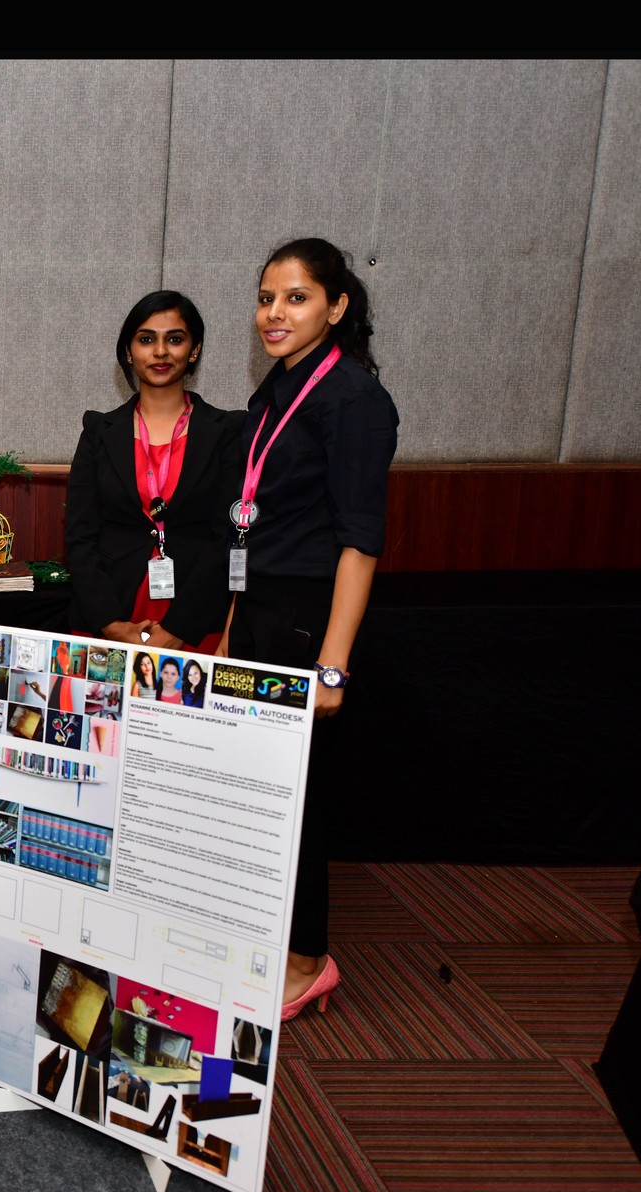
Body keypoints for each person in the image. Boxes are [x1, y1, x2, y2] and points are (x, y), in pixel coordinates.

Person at [130, 237, 399, 1020]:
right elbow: (254, 527)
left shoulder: (353, 399)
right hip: (262, 611)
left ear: (337, 306)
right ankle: (260, 938)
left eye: (296, 298)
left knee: (297, 797)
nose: (274, 314)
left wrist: (335, 665)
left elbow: (360, 540)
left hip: (309, 620)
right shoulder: (278, 391)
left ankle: (308, 960)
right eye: (266, 298)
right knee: (252, 790)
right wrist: (231, 624)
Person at [64, 291, 247, 647]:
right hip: (109, 618)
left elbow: (226, 538)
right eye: (146, 339)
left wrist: (178, 630)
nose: (160, 352)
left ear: (193, 350)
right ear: (129, 352)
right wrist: (110, 623)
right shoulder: (99, 432)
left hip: (196, 622)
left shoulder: (228, 431)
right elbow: (80, 537)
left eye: (175, 339)